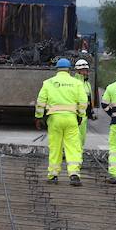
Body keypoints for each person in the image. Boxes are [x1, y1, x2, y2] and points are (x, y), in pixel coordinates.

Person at [35, 58, 88, 186]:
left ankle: (53, 175)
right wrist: (81, 115)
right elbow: (83, 101)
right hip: (71, 119)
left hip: (55, 119)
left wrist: (38, 116)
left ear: (57, 68)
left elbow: (41, 101)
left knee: (55, 147)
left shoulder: (48, 83)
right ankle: (74, 174)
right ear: (69, 69)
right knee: (73, 147)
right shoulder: (77, 83)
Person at [73, 59, 96, 149]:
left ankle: (78, 153)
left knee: (82, 137)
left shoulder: (87, 84)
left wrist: (92, 111)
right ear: (78, 71)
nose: (86, 72)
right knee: (75, 136)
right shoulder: (74, 82)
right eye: (84, 70)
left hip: (85, 115)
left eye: (87, 70)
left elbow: (90, 98)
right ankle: (72, 153)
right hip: (76, 114)